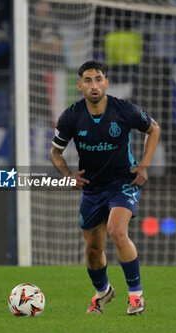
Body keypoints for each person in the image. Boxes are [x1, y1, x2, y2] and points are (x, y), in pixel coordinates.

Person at [50, 60, 160, 315]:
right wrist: (67, 176)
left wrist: (144, 166)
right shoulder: (71, 116)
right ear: (80, 86)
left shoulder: (123, 109)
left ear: (106, 83)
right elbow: (55, 153)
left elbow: (154, 129)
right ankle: (103, 292)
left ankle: (136, 297)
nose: (94, 85)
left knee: (117, 231)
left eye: (98, 79)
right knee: (92, 251)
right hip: (92, 188)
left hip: (123, 181)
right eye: (88, 81)